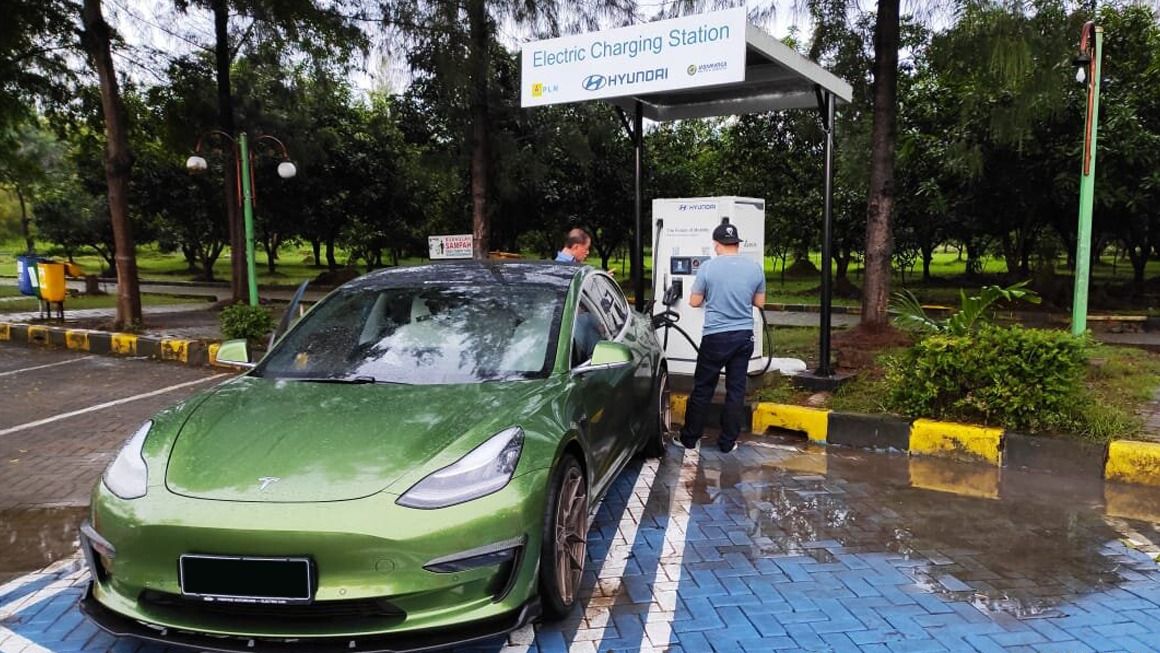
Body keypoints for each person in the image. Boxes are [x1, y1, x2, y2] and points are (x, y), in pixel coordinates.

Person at [678, 222, 766, 453]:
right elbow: (759, 303)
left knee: (703, 388)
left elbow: (694, 301)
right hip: (743, 336)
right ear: (737, 244)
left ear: (718, 244)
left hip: (715, 336)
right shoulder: (755, 268)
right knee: (736, 390)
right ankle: (727, 443)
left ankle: (690, 439)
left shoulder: (708, 268)